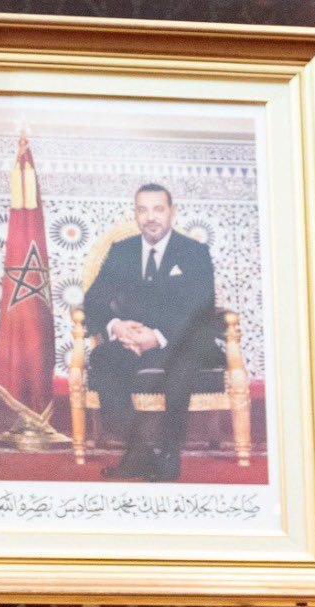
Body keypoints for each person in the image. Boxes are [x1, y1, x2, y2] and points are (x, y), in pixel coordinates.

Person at [81, 182, 218, 481]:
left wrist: (156, 336)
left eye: (158, 209)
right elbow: (93, 300)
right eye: (143, 210)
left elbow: (202, 307)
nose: (150, 217)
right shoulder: (122, 251)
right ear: (136, 214)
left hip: (181, 338)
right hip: (132, 338)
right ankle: (139, 451)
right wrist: (116, 326)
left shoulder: (194, 252)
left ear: (172, 212)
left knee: (181, 363)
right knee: (104, 359)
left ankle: (168, 454)